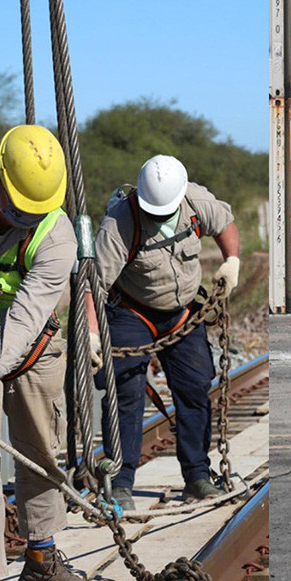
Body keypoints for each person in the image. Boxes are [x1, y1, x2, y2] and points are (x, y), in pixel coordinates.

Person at [0, 125, 91, 581]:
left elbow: (24, 321)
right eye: (17, 210)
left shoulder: (58, 237)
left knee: (40, 450)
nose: (25, 220)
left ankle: (42, 561)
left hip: (31, 347)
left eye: (36, 214)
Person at [94, 155, 242, 510]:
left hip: (182, 312)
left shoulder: (195, 201)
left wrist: (231, 259)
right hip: (131, 311)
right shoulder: (119, 224)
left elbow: (225, 224)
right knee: (125, 394)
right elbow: (93, 286)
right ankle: (121, 482)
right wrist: (90, 332)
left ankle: (197, 478)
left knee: (194, 389)